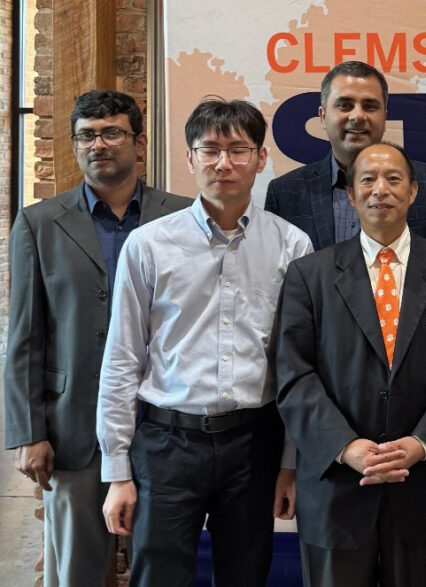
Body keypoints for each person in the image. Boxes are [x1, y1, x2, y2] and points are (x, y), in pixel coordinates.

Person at [97, 97, 313, 586]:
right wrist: (117, 471)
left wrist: (289, 463)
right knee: (158, 574)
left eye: (238, 150)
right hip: (166, 443)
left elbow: (298, 365)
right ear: (190, 158)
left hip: (254, 443)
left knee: (245, 574)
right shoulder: (149, 244)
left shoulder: (292, 246)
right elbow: (122, 360)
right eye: (210, 149)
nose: (224, 163)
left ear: (261, 158)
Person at [3, 90, 190, 587]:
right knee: (77, 571)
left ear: (139, 142)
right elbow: (25, 334)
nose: (98, 144)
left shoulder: (183, 218)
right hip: (72, 430)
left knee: (163, 563)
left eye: (111, 132)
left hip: (166, 426)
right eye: (86, 135)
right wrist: (28, 431)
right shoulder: (40, 223)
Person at [274, 141, 426, 587]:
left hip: (420, 484)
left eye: (392, 179)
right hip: (336, 488)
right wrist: (345, 446)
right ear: (350, 195)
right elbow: (293, 374)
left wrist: (423, 442)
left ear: (413, 192)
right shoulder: (310, 274)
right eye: (367, 179)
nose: (379, 190)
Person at [265, 60, 426, 248]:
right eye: (345, 106)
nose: (357, 116)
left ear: (385, 117)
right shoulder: (284, 194)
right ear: (323, 117)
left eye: (370, 106)